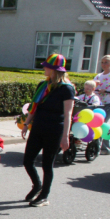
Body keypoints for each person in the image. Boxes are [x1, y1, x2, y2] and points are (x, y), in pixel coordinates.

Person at [21, 53, 75, 208]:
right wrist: (26, 123)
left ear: (54, 70)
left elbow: (68, 114)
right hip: (38, 126)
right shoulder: (42, 85)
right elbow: (34, 107)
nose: (44, 68)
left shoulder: (67, 89)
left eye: (47, 66)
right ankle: (37, 185)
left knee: (47, 164)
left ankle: (44, 196)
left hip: (54, 129)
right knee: (27, 161)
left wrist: (65, 136)